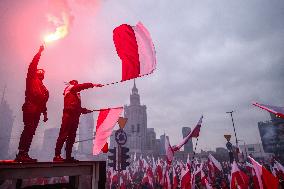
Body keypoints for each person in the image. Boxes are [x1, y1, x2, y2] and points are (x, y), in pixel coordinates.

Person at [53, 80, 103, 162]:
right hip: (68, 116)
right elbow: (80, 87)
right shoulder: (69, 88)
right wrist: (93, 85)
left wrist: (85, 110)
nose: (77, 86)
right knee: (63, 135)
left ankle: (68, 157)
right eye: (76, 84)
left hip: (75, 117)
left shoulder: (76, 95)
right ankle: (57, 155)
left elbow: (77, 108)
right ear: (73, 84)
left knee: (71, 138)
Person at [15, 45, 49, 162]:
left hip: (38, 110)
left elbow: (44, 101)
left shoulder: (44, 89)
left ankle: (25, 153)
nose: (41, 73)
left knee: (32, 131)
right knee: (28, 128)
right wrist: (39, 52)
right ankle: (21, 153)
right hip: (30, 107)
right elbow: (32, 65)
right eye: (40, 72)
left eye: (42, 73)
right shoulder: (31, 79)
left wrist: (44, 114)